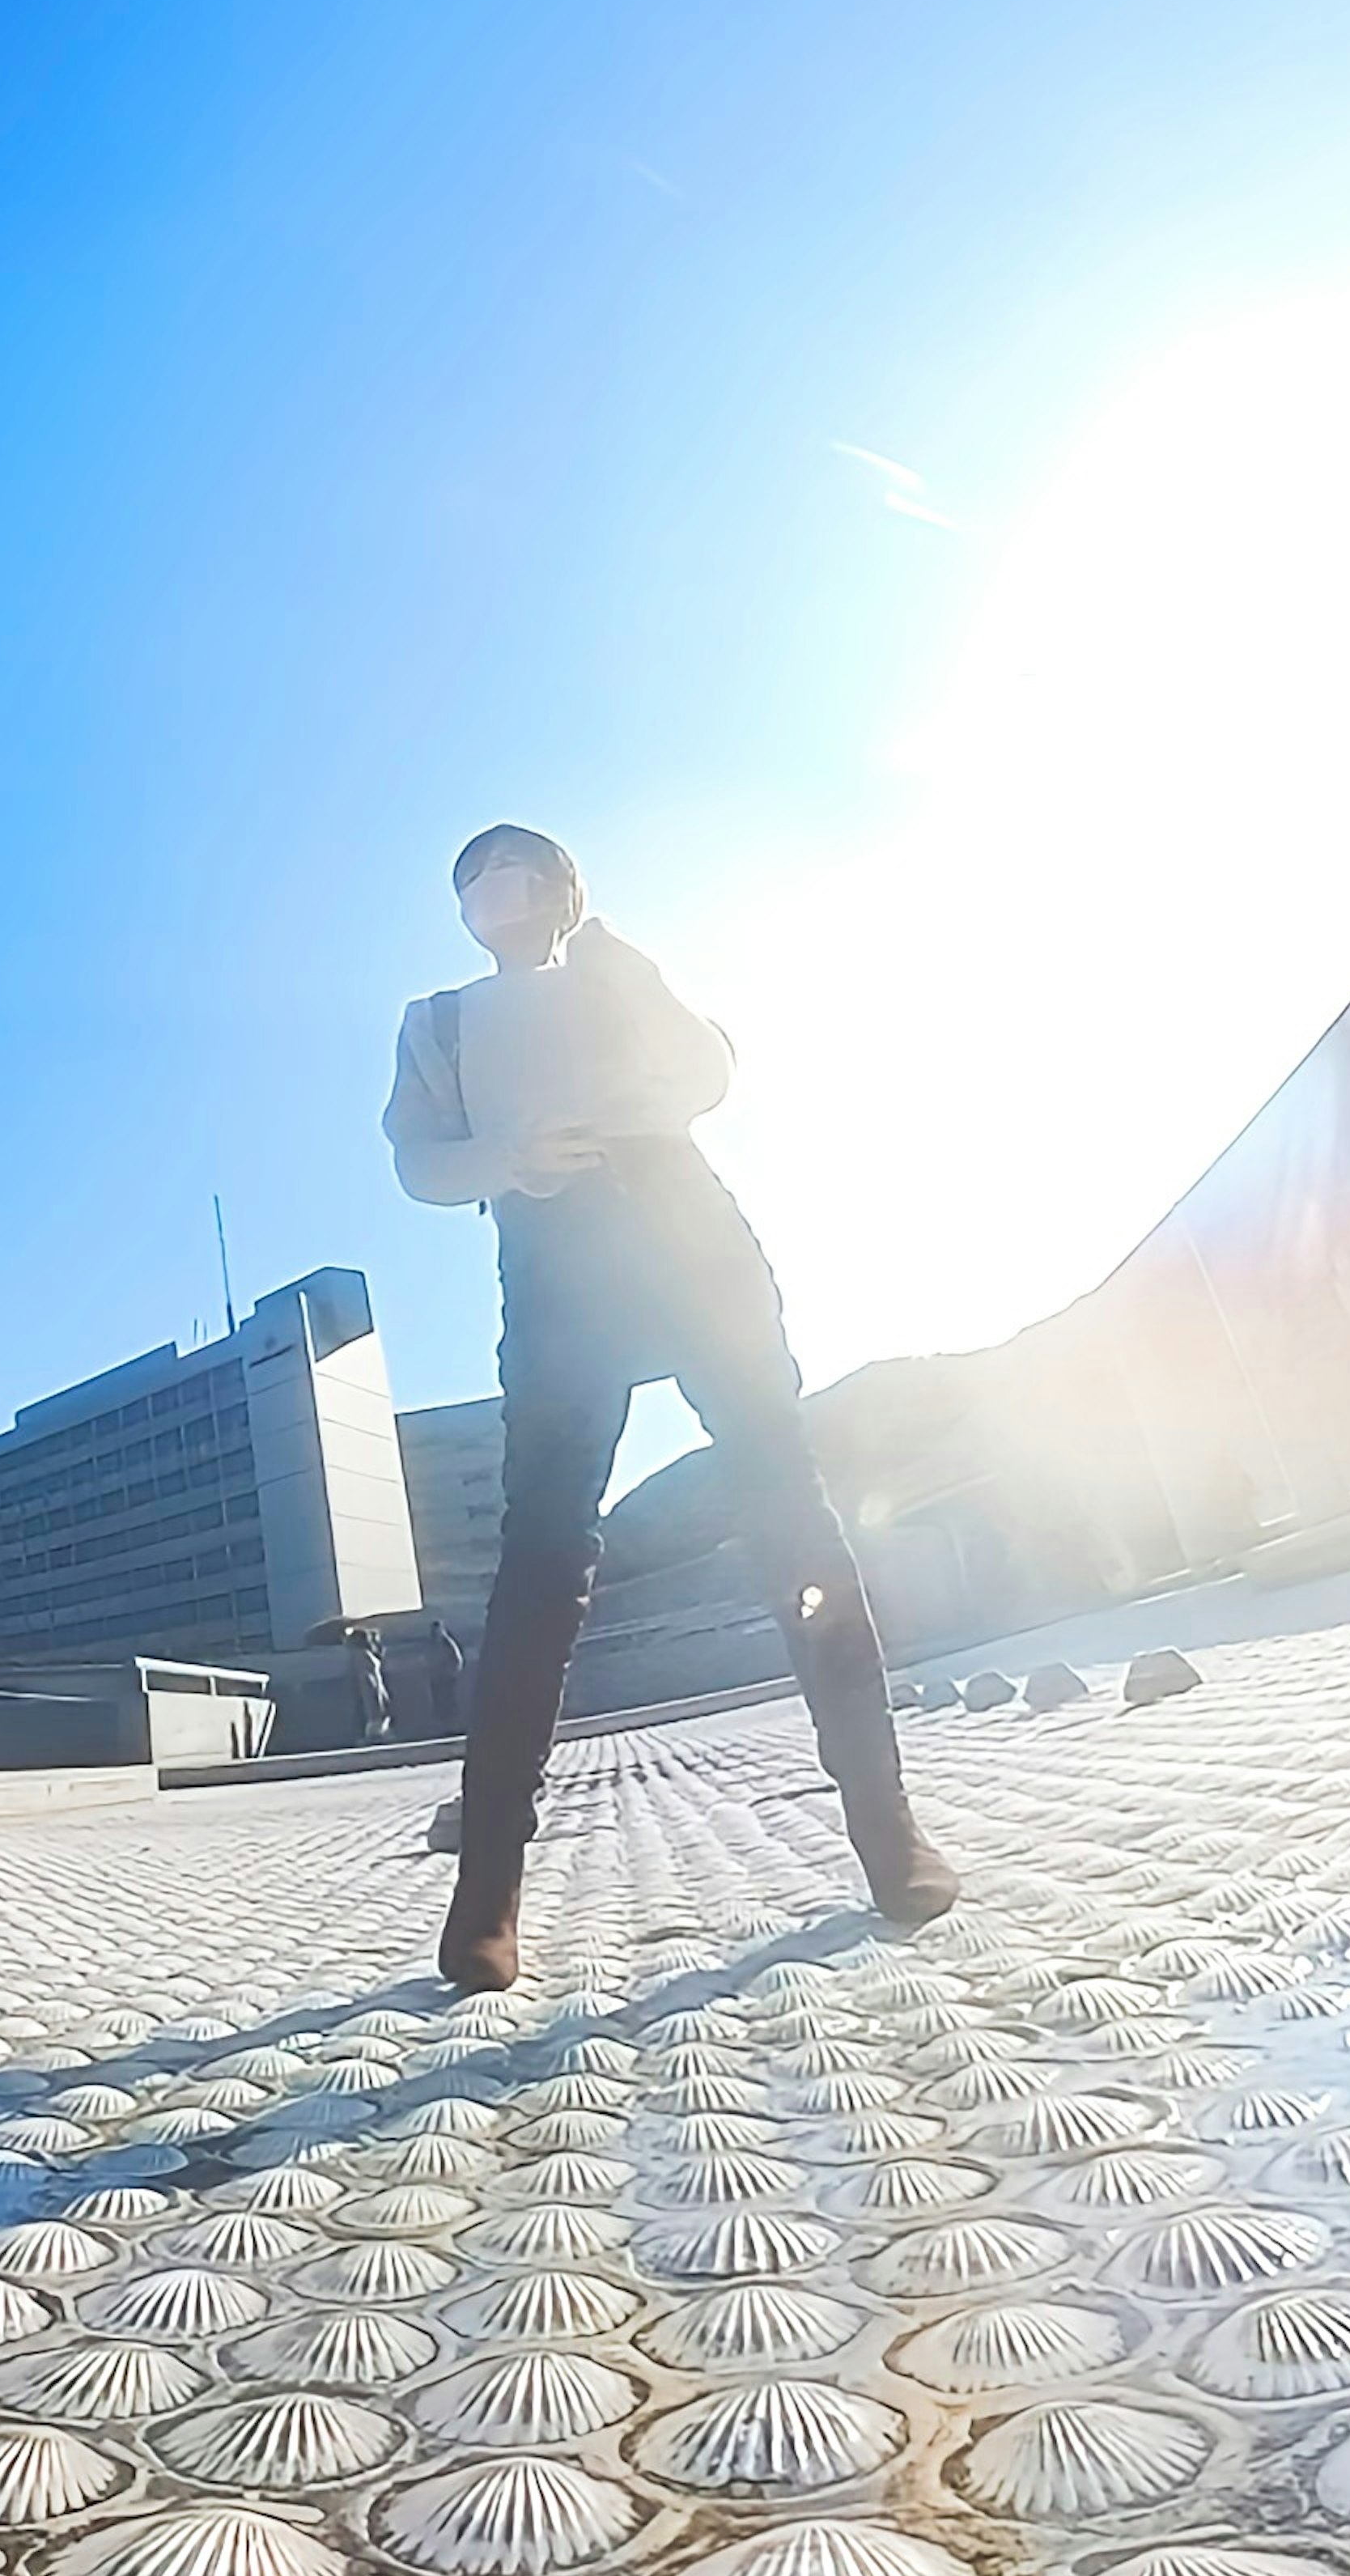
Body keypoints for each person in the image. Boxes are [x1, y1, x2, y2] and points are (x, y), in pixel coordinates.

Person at [386, 823, 954, 1991]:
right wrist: (508, 1151)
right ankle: (485, 1888)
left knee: (784, 1495)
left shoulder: (617, 968)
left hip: (687, 1230)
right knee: (542, 1553)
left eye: (520, 872)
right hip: (550, 1259)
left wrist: (622, 974)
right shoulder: (438, 1019)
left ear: (561, 890)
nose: (496, 890)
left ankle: (886, 1826)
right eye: (475, 880)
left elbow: (708, 1073)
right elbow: (418, 1164)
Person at [347, 1621, 391, 1745]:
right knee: (376, 1727)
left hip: (374, 1697)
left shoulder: (363, 1656)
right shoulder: (363, 1656)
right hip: (372, 1698)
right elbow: (370, 1681)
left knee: (377, 1725)